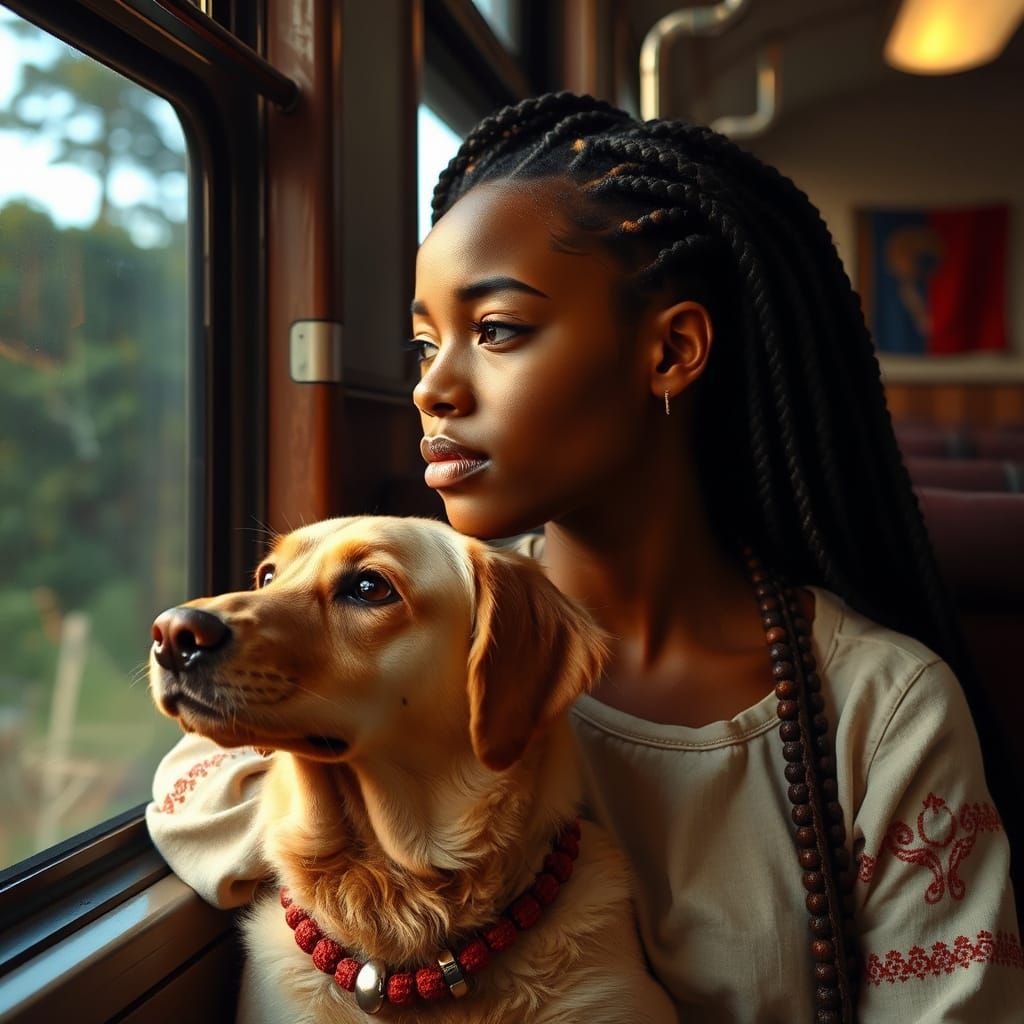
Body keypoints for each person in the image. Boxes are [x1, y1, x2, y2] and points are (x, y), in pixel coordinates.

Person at [148, 92, 1023, 1021]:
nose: (432, 389)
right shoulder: (438, 630)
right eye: (422, 344)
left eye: (496, 331)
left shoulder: (882, 711)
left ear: (673, 350)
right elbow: (196, 783)